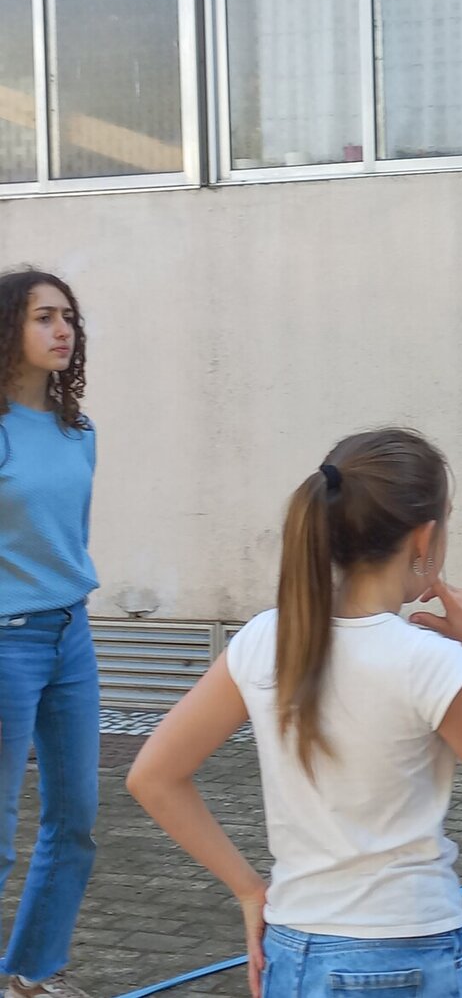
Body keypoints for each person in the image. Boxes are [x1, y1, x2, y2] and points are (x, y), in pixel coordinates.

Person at [128, 427, 462, 998]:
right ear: (425, 538)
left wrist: (249, 889)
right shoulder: (429, 661)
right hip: (404, 950)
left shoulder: (265, 639)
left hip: (290, 949)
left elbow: (153, 776)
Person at [0, 270, 100, 998]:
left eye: (67, 316)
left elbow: (72, 538)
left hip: (72, 637)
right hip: (5, 642)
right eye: (43, 316)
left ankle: (31, 976)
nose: (61, 329)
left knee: (75, 820)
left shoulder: (78, 431)